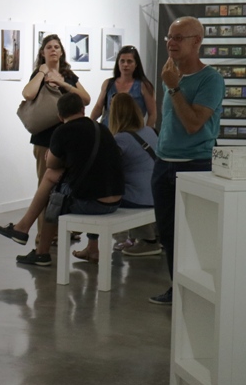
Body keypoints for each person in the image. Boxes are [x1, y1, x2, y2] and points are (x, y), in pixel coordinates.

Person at [0, 92, 124, 265]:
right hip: (116, 200)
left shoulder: (63, 131)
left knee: (54, 195)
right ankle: (25, 231)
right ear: (82, 109)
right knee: (57, 185)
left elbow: (51, 164)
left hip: (93, 204)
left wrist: (51, 155)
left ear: (59, 115)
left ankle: (37, 246)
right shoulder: (101, 128)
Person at [149, 16, 225, 305]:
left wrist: (174, 88)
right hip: (164, 162)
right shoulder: (173, 75)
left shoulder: (210, 79)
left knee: (196, 235)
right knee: (168, 233)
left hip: (196, 165)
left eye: (179, 37)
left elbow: (194, 123)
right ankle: (177, 287)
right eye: (170, 36)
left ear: (197, 42)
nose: (171, 42)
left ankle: (197, 291)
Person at [71, 93, 159, 262]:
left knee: (100, 197)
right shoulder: (150, 131)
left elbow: (106, 171)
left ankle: (92, 247)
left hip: (139, 198)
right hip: (156, 193)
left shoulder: (120, 139)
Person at [22, 35, 91, 241]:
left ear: (62, 52)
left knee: (65, 188)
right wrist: (43, 71)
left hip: (69, 139)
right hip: (45, 140)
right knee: (45, 187)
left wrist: (63, 84)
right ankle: (43, 235)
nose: (53, 50)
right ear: (42, 52)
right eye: (49, 47)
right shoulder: (39, 73)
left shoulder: (68, 75)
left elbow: (86, 99)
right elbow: (28, 94)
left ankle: (60, 232)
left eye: (56, 47)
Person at [90, 45, 157, 128]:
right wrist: (90, 124)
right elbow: (98, 107)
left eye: (129, 61)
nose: (125, 64)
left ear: (136, 64)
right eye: (122, 61)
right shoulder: (108, 83)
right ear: (118, 63)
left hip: (133, 133)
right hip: (109, 132)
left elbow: (152, 114)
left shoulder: (144, 86)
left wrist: (146, 134)